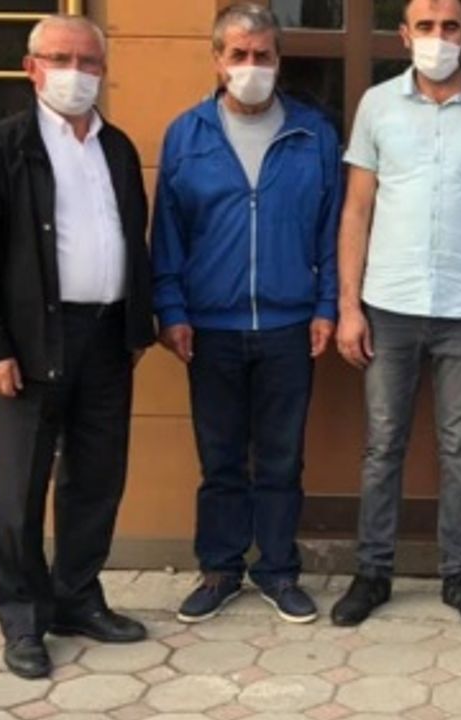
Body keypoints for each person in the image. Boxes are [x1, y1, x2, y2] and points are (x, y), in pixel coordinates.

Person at [0, 14, 154, 679]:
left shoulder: (117, 148)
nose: (75, 74)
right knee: (19, 490)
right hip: (29, 345)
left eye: (88, 62)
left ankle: (77, 597)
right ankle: (24, 620)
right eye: (61, 60)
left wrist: (137, 326)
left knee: (96, 478)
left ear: (103, 70)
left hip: (107, 338)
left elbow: (134, 239)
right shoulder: (2, 147)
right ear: (31, 69)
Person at [331, 0, 461, 628]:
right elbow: (357, 210)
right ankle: (372, 573)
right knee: (382, 445)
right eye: (425, 26)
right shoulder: (377, 106)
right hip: (388, 304)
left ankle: (459, 576)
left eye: (449, 27)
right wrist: (348, 305)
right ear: (404, 34)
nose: (437, 38)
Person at [150, 3, 342, 626]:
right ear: (217, 59)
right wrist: (171, 309)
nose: (251, 66)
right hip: (211, 328)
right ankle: (220, 568)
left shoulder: (313, 134)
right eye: (238, 54)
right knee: (221, 458)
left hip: (289, 325)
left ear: (279, 60)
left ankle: (279, 570)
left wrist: (327, 305)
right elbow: (168, 234)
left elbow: (331, 232)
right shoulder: (187, 135)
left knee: (282, 458)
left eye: (262, 55)